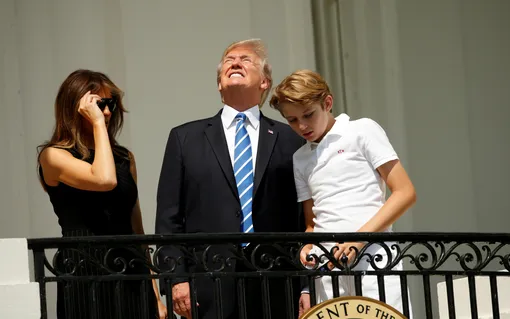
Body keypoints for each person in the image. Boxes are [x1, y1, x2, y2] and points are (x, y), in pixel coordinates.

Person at [155, 39, 305, 319]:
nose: (235, 62)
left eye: (246, 60)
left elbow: (302, 218)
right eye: (229, 60)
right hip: (207, 283)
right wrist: (176, 279)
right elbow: (169, 219)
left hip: (276, 283)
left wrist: (306, 286)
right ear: (219, 85)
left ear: (265, 82)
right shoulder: (184, 138)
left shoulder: (291, 140)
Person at [269, 69, 416, 317]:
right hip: (326, 271)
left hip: (375, 260)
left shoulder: (362, 130)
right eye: (292, 120)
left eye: (308, 114)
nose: (302, 126)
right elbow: (311, 223)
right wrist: (307, 246)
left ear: (327, 103)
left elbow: (405, 192)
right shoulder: (300, 158)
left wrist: (358, 240)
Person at [37, 69, 167, 319]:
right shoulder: (53, 156)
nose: (106, 112)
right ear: (76, 107)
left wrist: (155, 294)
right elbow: (104, 179)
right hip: (85, 271)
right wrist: (97, 124)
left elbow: (136, 229)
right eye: (99, 105)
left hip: (130, 269)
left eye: (110, 104)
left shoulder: (124, 158)